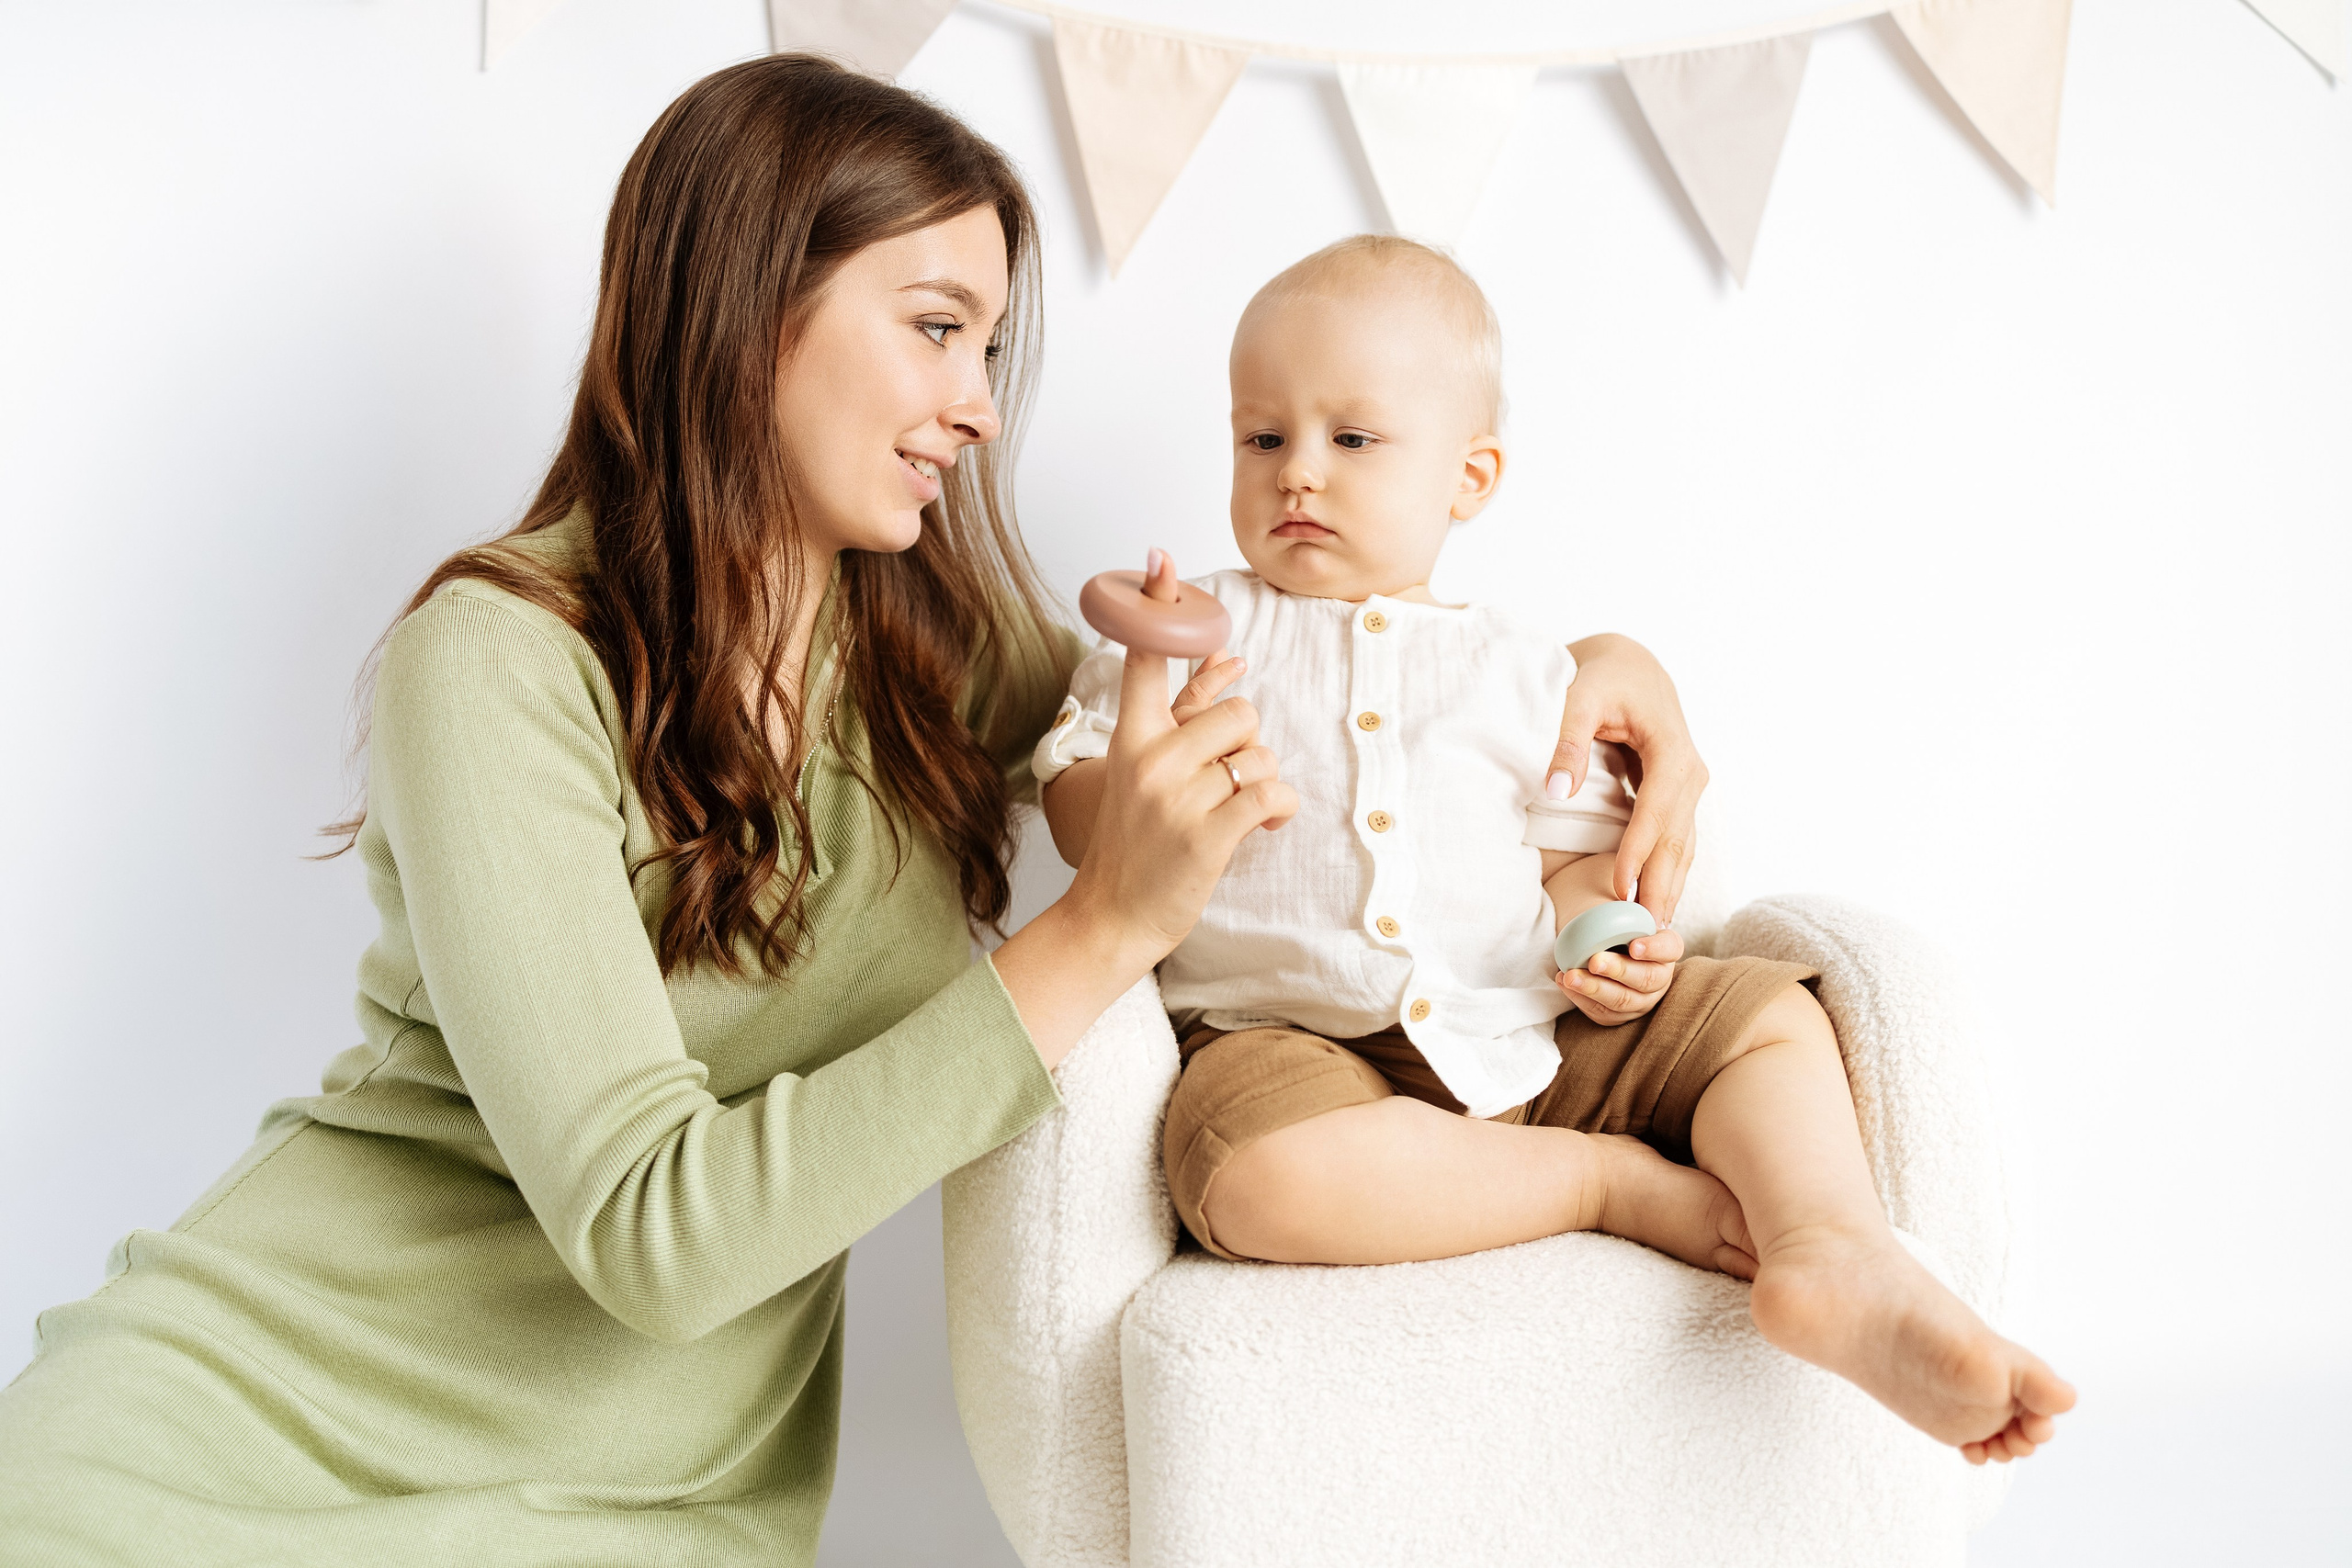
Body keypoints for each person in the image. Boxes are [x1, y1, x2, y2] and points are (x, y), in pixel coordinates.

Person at [0, 61, 1715, 1567]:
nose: (977, 403)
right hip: (234, 1457)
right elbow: (659, 1240)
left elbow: (1333, 719)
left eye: (987, 342)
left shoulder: (940, 658)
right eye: (936, 325)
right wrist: (1098, 928)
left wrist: (1606, 674)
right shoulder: (501, 662)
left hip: (659, 1514)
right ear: (752, 304)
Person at [1035, 235, 2076, 1466]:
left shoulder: (1526, 673)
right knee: (1252, 1177)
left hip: (1524, 1025)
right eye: (1263, 439)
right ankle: (1609, 1185)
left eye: (1353, 441)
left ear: (1468, 478)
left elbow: (1571, 861)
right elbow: (1074, 798)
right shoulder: (1184, 641)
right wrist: (1136, 778)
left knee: (1766, 1016)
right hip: (1289, 1044)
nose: (1298, 474)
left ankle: (1830, 1246)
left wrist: (1610, 941)